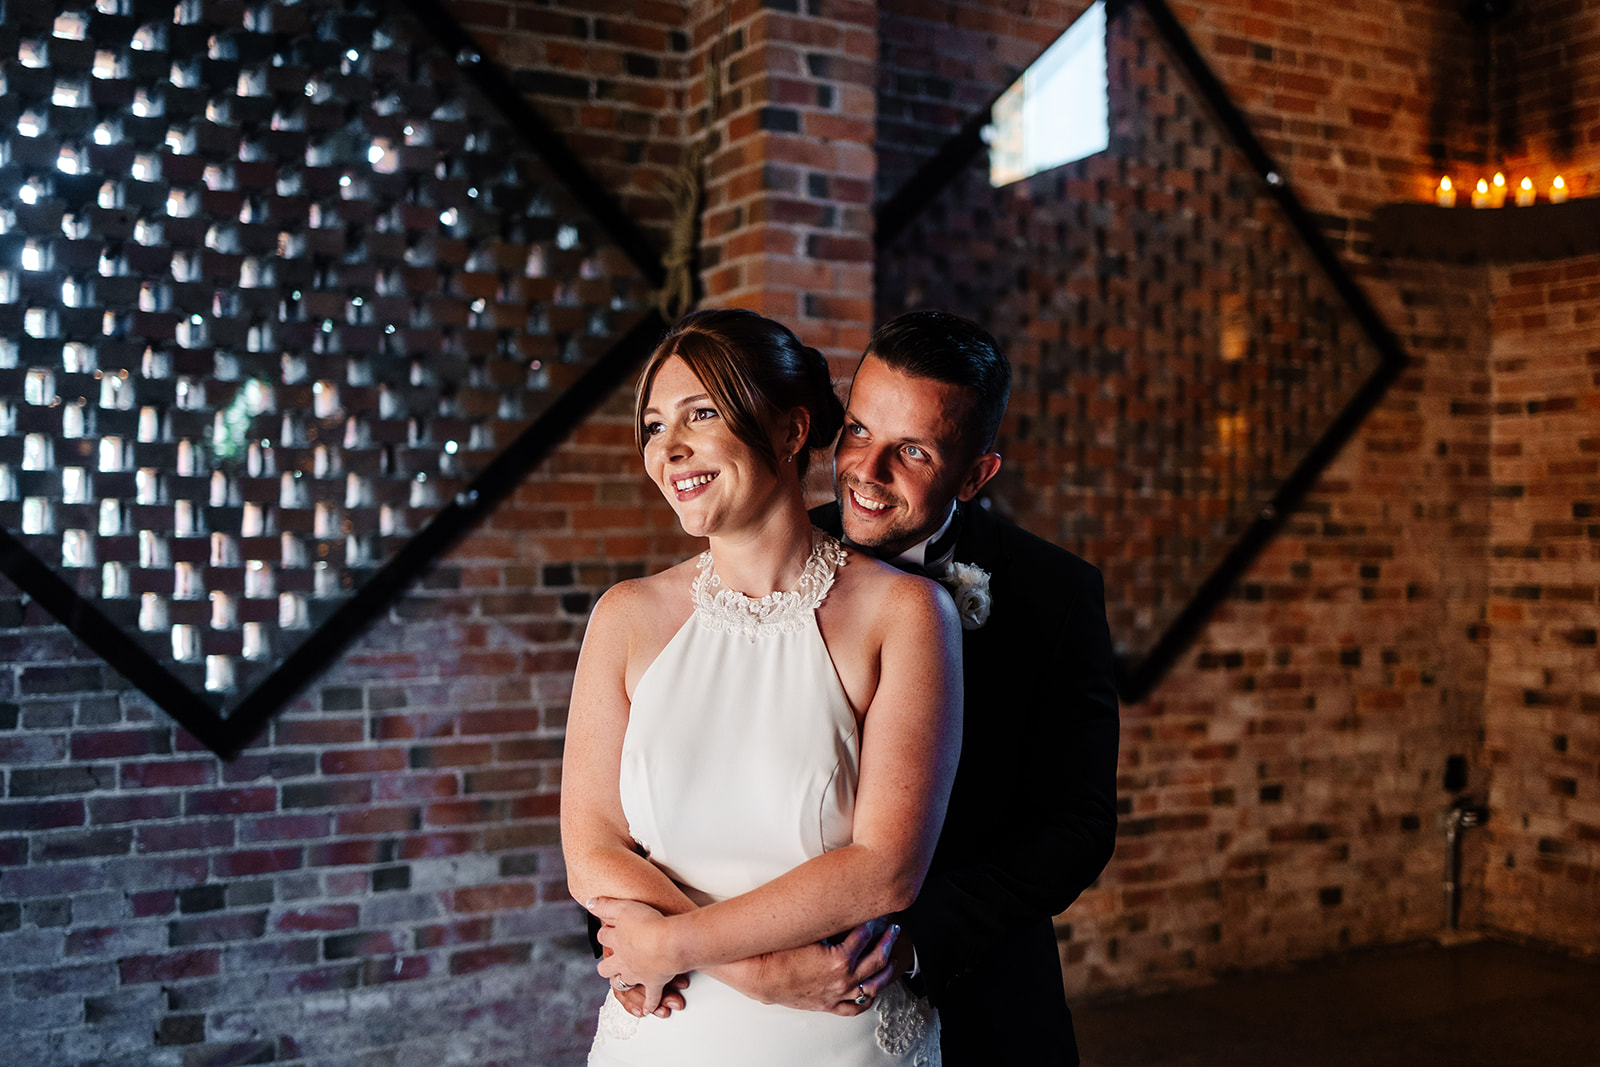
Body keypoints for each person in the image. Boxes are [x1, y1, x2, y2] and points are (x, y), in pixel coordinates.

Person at [620, 309, 1120, 1065]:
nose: (867, 471)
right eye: (857, 431)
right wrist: (700, 948)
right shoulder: (756, 560)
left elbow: (1076, 823)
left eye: (911, 450)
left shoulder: (1054, 595)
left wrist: (908, 942)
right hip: (731, 1000)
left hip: (969, 989)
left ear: (976, 473)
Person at [560, 307, 964, 1065]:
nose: (668, 448)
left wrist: (672, 939)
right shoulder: (625, 616)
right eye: (652, 425)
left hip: (838, 1032)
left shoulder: (904, 613)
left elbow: (885, 867)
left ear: (789, 431)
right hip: (665, 1030)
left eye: (700, 413)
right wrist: (755, 972)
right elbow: (591, 851)